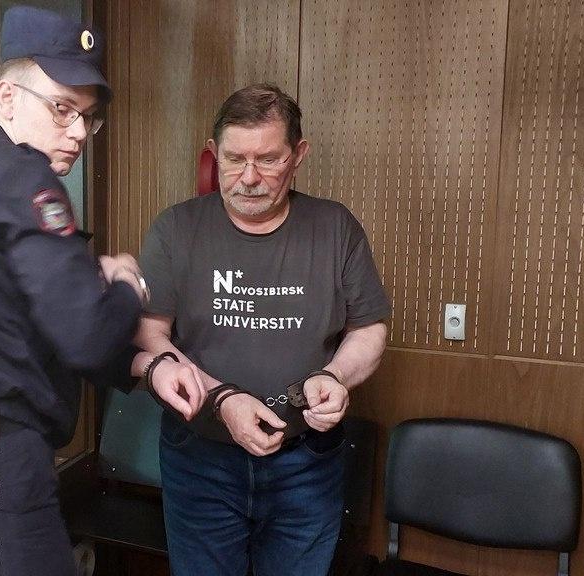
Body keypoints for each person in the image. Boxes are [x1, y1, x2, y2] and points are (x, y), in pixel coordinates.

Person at [0, 6, 204, 576]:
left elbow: (28, 325)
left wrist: (144, 365)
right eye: (62, 108)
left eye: (88, 116)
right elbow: (85, 335)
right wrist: (127, 284)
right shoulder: (21, 176)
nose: (78, 131)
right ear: (7, 97)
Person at [133, 83, 391, 576]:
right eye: (234, 160)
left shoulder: (335, 227)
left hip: (305, 462)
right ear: (214, 153)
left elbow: (368, 329)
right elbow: (149, 336)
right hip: (200, 458)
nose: (249, 178)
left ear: (299, 155)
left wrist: (335, 377)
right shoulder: (176, 229)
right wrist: (221, 399)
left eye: (268, 160)